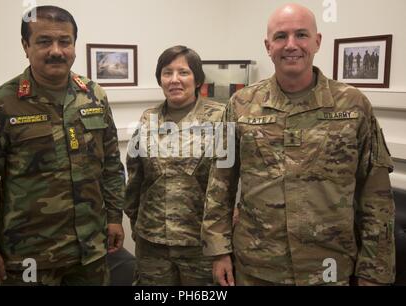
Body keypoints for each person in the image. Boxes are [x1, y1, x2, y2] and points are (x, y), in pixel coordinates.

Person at [201, 3, 395, 286]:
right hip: (256, 266)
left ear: (317, 42)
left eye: (301, 35)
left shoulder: (353, 105)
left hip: (328, 267)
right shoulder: (241, 104)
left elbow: (375, 193)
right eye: (281, 37)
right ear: (268, 46)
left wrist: (375, 271)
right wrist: (219, 252)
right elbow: (220, 182)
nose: (291, 45)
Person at [0, 5, 125, 286]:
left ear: (74, 45)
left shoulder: (94, 95)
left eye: (65, 41)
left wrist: (114, 217)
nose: (56, 50)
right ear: (26, 46)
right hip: (28, 254)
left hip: (90, 251)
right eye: (44, 41)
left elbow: (110, 163)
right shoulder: (1, 102)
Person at [125, 45, 225, 285]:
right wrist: (135, 221)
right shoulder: (147, 119)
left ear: (198, 78)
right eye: (167, 73)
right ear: (160, 79)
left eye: (183, 72)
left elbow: (234, 181)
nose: (174, 80)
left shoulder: (221, 117)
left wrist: (224, 243)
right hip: (152, 243)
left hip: (202, 245)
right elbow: (135, 176)